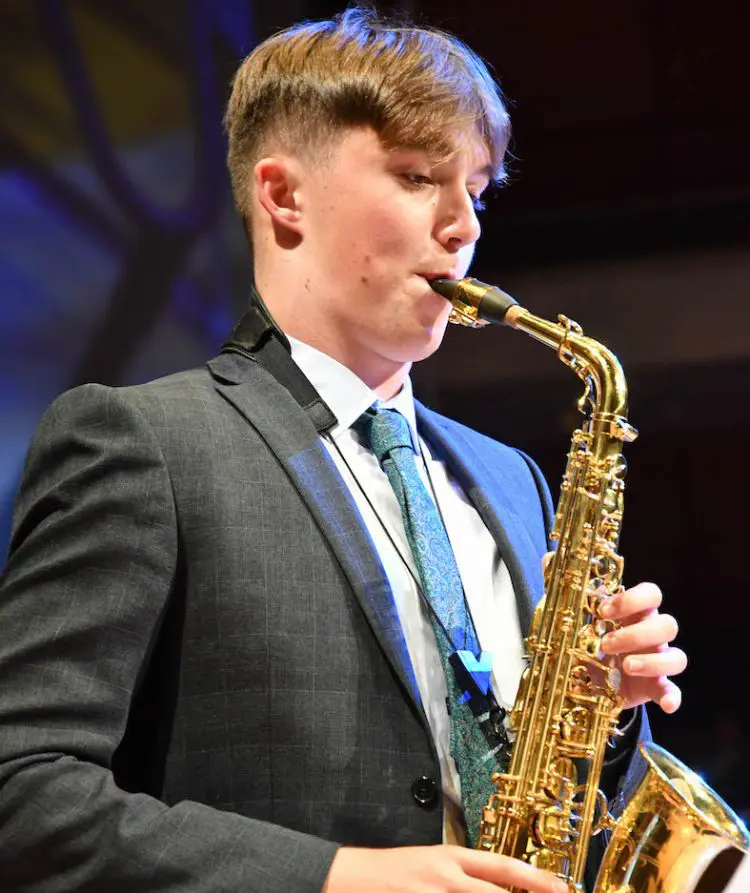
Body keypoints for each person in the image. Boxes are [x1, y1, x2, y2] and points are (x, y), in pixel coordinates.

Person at [0, 8, 686, 893]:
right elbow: (24, 794)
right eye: (418, 176)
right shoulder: (144, 443)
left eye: (477, 189)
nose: (464, 225)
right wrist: (335, 876)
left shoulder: (511, 479)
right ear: (284, 196)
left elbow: (564, 814)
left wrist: (604, 717)